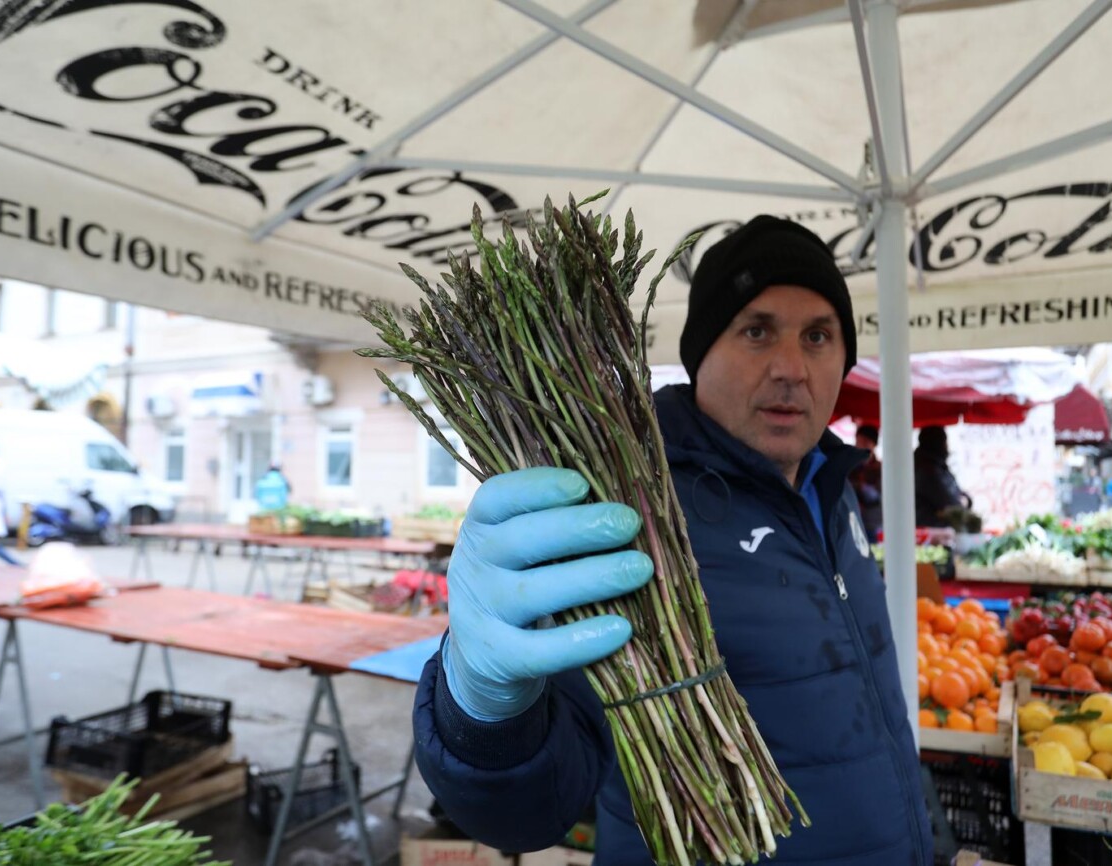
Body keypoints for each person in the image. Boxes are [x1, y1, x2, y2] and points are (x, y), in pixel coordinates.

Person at [413, 216, 932, 865]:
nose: (792, 368)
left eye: (819, 336)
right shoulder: (623, 511)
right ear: (700, 354)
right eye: (757, 330)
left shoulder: (835, 488)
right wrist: (478, 712)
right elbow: (530, 810)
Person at [913, 425, 971, 528]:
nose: (947, 446)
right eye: (945, 441)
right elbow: (951, 505)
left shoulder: (933, 465)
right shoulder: (928, 470)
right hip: (933, 530)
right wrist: (963, 502)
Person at [850, 424, 882, 541]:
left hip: (873, 523)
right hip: (853, 521)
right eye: (858, 441)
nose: (860, 446)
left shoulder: (880, 469)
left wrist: (862, 487)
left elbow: (879, 496)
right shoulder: (849, 467)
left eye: (865, 442)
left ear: (874, 444)